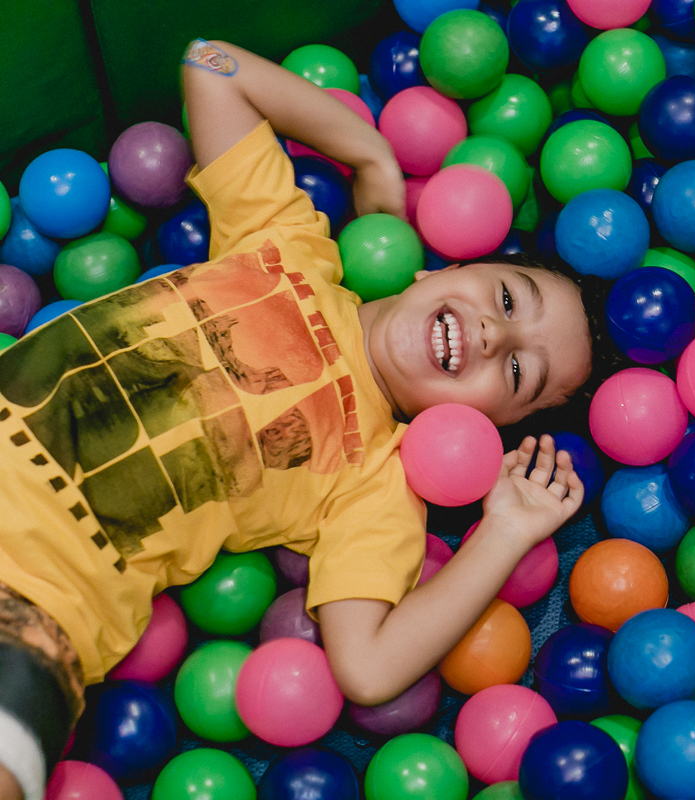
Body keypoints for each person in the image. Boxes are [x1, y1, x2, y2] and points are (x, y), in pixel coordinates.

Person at [0, 39, 611, 800]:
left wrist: (507, 533)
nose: (494, 334)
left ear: (486, 426)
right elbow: (211, 65)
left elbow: (369, 667)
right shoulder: (288, 246)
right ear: (446, 268)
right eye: (510, 299)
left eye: (519, 373)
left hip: (42, 598)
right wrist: (373, 159)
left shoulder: (378, 482)